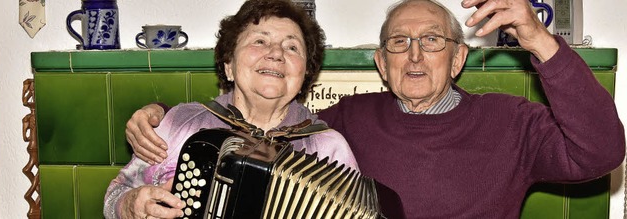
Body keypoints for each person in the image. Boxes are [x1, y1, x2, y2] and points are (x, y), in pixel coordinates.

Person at [126, 0, 626, 218]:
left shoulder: (513, 121)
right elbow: (261, 113)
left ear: (457, 59)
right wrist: (159, 114)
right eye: (398, 43)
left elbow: (601, 152)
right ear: (380, 64)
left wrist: (539, 39)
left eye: (431, 40)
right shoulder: (344, 123)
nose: (413, 55)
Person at [103, 0, 360, 218]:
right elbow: (115, 195)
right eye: (260, 41)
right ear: (229, 64)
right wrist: (130, 204)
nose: (275, 54)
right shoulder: (180, 123)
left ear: (305, 75)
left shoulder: (328, 148)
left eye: (292, 47)